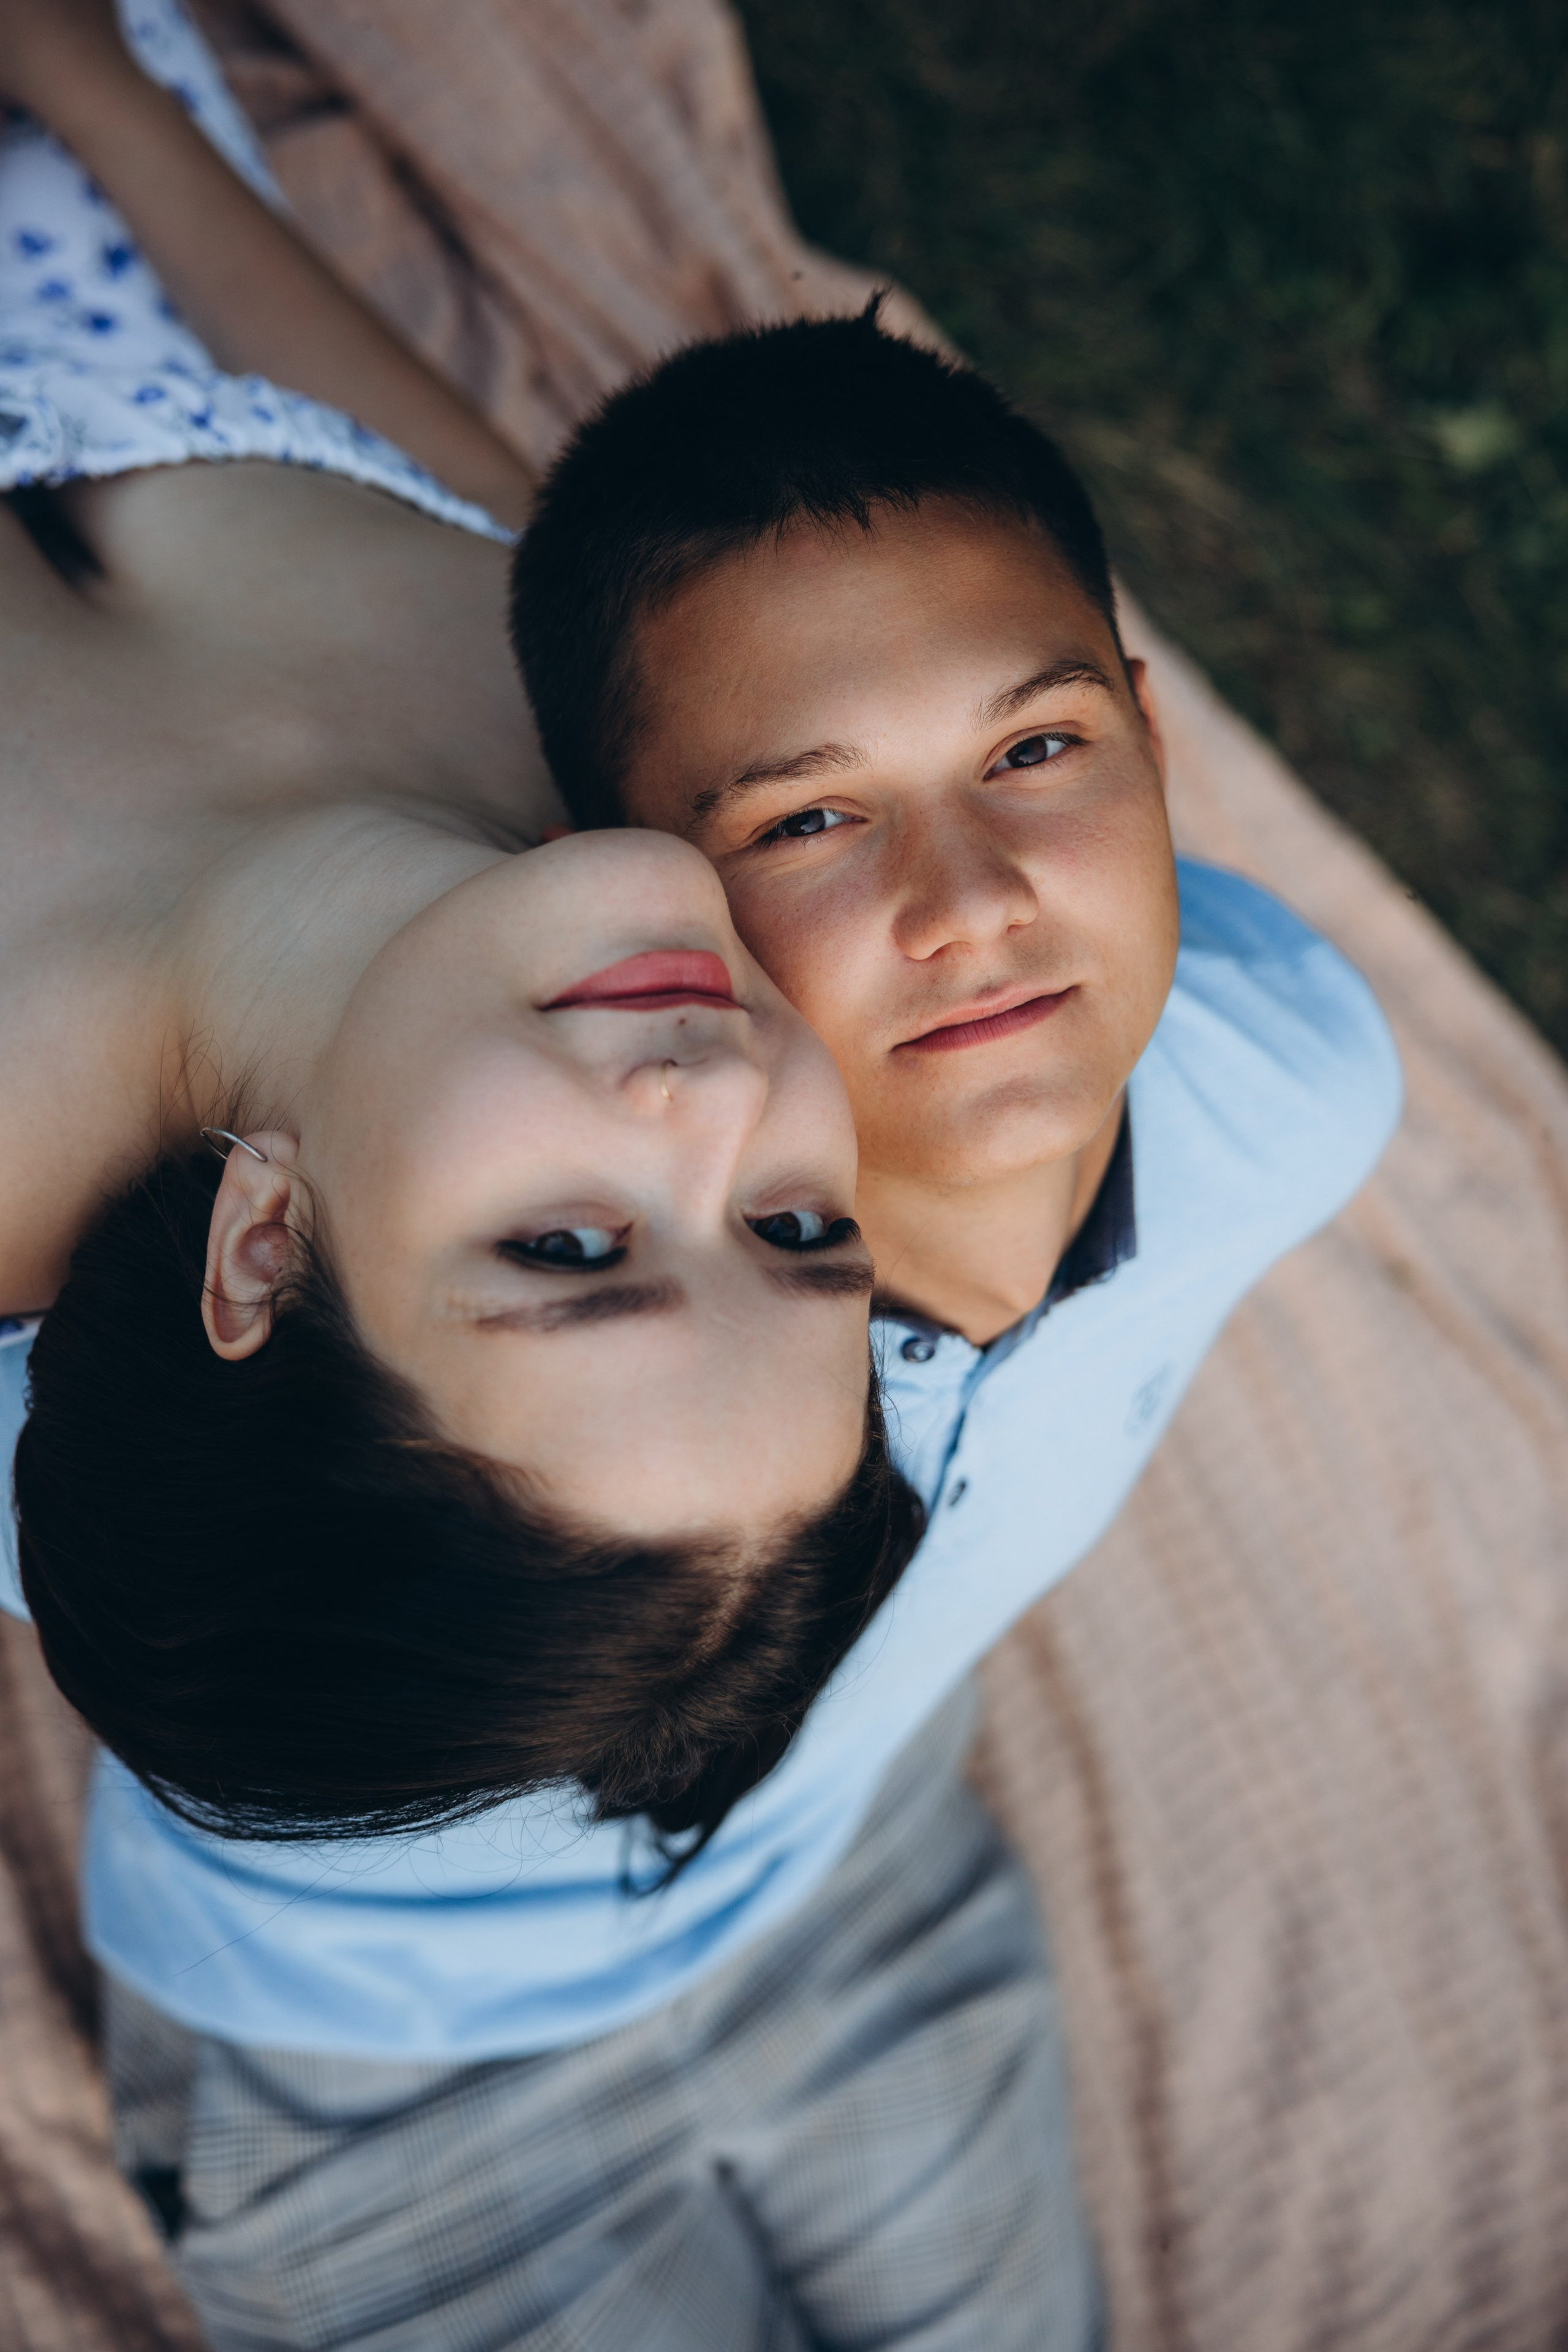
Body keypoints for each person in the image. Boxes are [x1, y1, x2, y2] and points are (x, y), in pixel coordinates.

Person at [0, 5, 1397, 2348]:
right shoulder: (608, 854)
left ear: (265, 1232)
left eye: (571, 1254)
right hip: (419, 2087)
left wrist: (118, 111)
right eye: (798, 1230)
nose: (722, 1102)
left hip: (823, 1894)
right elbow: (421, 484)